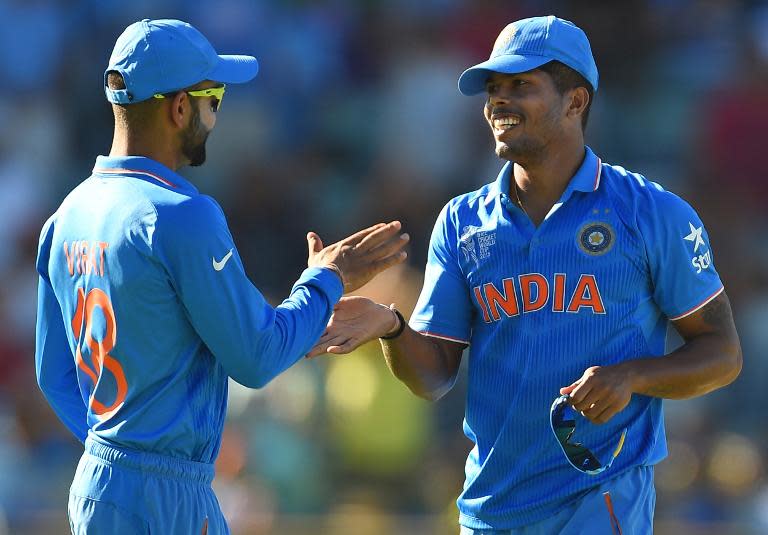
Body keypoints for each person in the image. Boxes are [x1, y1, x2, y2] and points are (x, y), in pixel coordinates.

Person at [308, 15, 742, 534]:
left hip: (600, 502)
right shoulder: (462, 221)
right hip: (489, 512)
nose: (499, 102)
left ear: (575, 101)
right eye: (493, 88)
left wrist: (633, 376)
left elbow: (722, 353)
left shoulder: (651, 213)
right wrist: (391, 326)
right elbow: (433, 377)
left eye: (521, 86)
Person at [34, 18, 408, 535]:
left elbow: (53, 376)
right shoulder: (181, 214)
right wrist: (327, 279)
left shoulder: (65, 215)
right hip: (167, 496)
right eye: (214, 99)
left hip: (98, 482)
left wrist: (116, 455)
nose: (215, 116)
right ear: (179, 106)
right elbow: (255, 357)